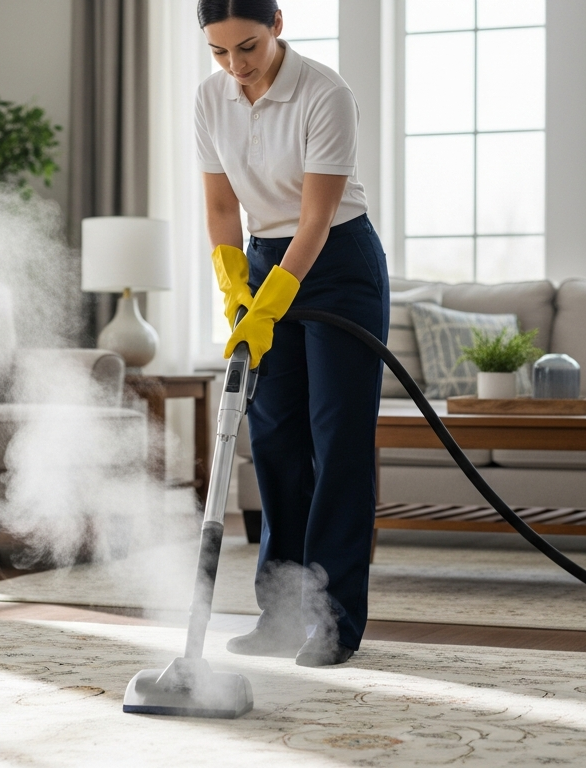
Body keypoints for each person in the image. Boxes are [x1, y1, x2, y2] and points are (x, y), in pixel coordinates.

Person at [195, 0, 388, 667]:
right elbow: (221, 205)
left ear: (277, 24)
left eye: (246, 47)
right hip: (261, 257)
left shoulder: (325, 94)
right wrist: (234, 286)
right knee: (274, 437)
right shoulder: (210, 98)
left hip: (335, 263)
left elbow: (317, 216)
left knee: (338, 439)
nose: (235, 67)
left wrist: (273, 301)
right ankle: (280, 614)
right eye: (219, 52)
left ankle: (335, 624)